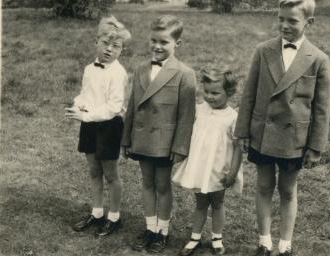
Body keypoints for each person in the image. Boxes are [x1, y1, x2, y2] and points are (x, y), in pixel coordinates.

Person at [235, 0, 330, 256]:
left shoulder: (319, 60)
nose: (285, 25)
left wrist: (315, 146)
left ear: (309, 23)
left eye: (292, 21)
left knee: (288, 190)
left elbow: (321, 109)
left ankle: (285, 244)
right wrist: (243, 130)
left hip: (294, 140)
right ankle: (264, 241)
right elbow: (249, 93)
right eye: (281, 19)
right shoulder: (263, 51)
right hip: (263, 133)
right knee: (264, 186)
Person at [121, 15, 196, 254]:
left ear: (178, 44)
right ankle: (150, 227)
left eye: (164, 42)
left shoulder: (185, 74)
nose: (157, 46)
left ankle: (162, 230)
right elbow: (132, 106)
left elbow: (187, 115)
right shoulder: (141, 68)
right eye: (153, 40)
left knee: (162, 185)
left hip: (164, 142)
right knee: (146, 183)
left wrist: (180, 146)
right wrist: (126, 138)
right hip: (142, 139)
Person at [65, 15, 131, 237]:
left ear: (122, 50)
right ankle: (97, 213)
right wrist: (77, 104)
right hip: (90, 124)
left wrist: (88, 116)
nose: (109, 50)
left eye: (116, 46)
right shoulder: (89, 69)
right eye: (105, 43)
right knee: (94, 171)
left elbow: (113, 107)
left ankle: (114, 217)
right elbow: (86, 94)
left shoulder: (118, 73)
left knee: (110, 174)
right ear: (96, 41)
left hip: (109, 127)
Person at [173, 68, 243, 256]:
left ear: (229, 93)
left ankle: (217, 238)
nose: (209, 97)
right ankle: (195, 238)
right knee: (201, 203)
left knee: (218, 203)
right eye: (207, 92)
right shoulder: (198, 110)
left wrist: (233, 173)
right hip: (200, 167)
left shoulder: (233, 117)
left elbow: (238, 148)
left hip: (219, 168)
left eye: (215, 93)